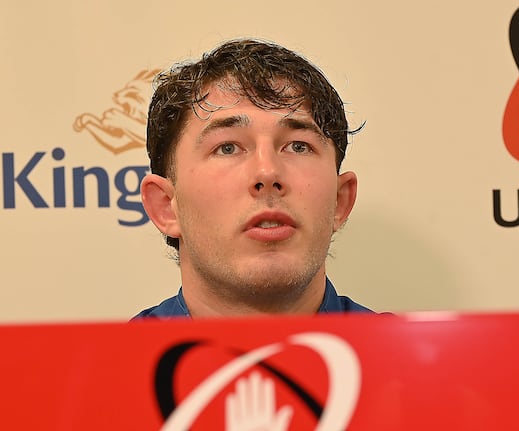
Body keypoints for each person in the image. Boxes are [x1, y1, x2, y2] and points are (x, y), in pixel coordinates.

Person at [133, 38, 373, 319]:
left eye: (298, 146)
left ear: (339, 200)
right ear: (165, 206)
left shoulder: (409, 360)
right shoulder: (110, 363)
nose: (267, 172)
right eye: (228, 148)